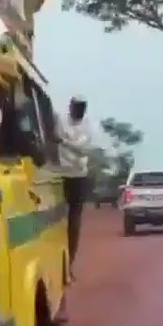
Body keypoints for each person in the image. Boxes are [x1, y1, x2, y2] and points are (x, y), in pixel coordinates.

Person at [57, 95, 94, 281]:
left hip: (79, 175)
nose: (78, 112)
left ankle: (69, 265)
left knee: (74, 223)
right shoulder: (60, 120)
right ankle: (58, 264)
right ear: (70, 107)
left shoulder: (88, 125)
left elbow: (83, 149)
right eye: (75, 108)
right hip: (60, 174)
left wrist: (64, 142)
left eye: (81, 109)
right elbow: (53, 139)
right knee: (56, 221)